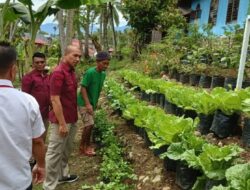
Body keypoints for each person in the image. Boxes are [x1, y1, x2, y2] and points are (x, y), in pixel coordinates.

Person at [0, 41, 45, 189]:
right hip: (18, 182)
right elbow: (37, 141)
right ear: (13, 70)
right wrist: (41, 164)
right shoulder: (28, 101)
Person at [43, 45, 82, 190]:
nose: (78, 59)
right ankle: (49, 185)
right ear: (66, 55)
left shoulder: (71, 72)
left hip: (72, 117)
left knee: (66, 149)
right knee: (54, 152)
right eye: (75, 56)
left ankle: (62, 175)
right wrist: (62, 123)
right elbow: (54, 99)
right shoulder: (58, 73)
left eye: (79, 56)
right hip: (61, 120)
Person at [78, 51, 110, 156]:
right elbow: (83, 88)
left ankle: (87, 144)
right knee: (89, 125)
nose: (106, 66)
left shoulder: (103, 74)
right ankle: (83, 147)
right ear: (97, 62)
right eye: (104, 63)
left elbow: (98, 89)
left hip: (92, 102)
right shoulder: (90, 72)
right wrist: (87, 104)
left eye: (107, 63)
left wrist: (95, 102)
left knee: (90, 125)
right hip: (84, 102)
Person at [22, 52, 50, 141]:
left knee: (43, 136)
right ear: (33, 63)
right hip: (33, 113)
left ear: (45, 62)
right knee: (33, 138)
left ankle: (40, 154)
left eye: (42, 62)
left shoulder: (47, 76)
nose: (40, 64)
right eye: (37, 62)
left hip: (45, 113)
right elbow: (25, 97)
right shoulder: (28, 77)